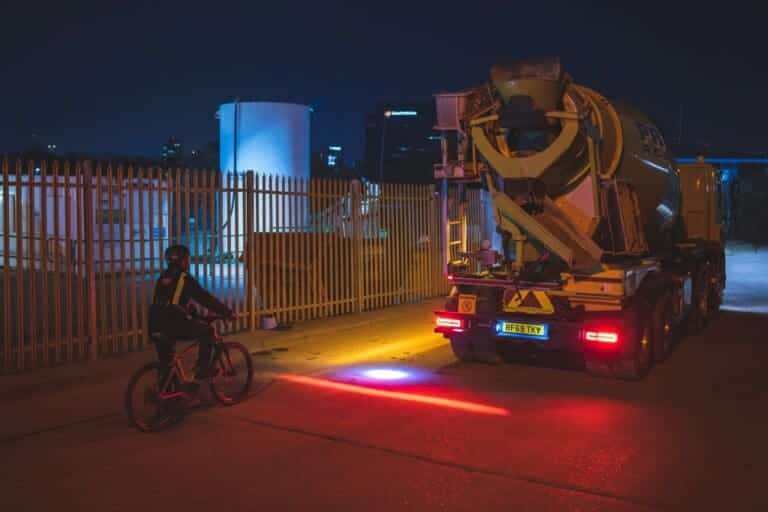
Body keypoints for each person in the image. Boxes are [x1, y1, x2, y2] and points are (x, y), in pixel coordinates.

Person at [149, 245, 234, 382]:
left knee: (168, 363)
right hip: (171, 323)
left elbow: (177, 304)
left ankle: (167, 397)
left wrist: (199, 317)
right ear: (182, 261)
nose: (188, 262)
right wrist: (227, 312)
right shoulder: (184, 278)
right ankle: (203, 369)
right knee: (207, 332)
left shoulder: (163, 277)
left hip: (154, 324)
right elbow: (204, 297)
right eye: (187, 259)